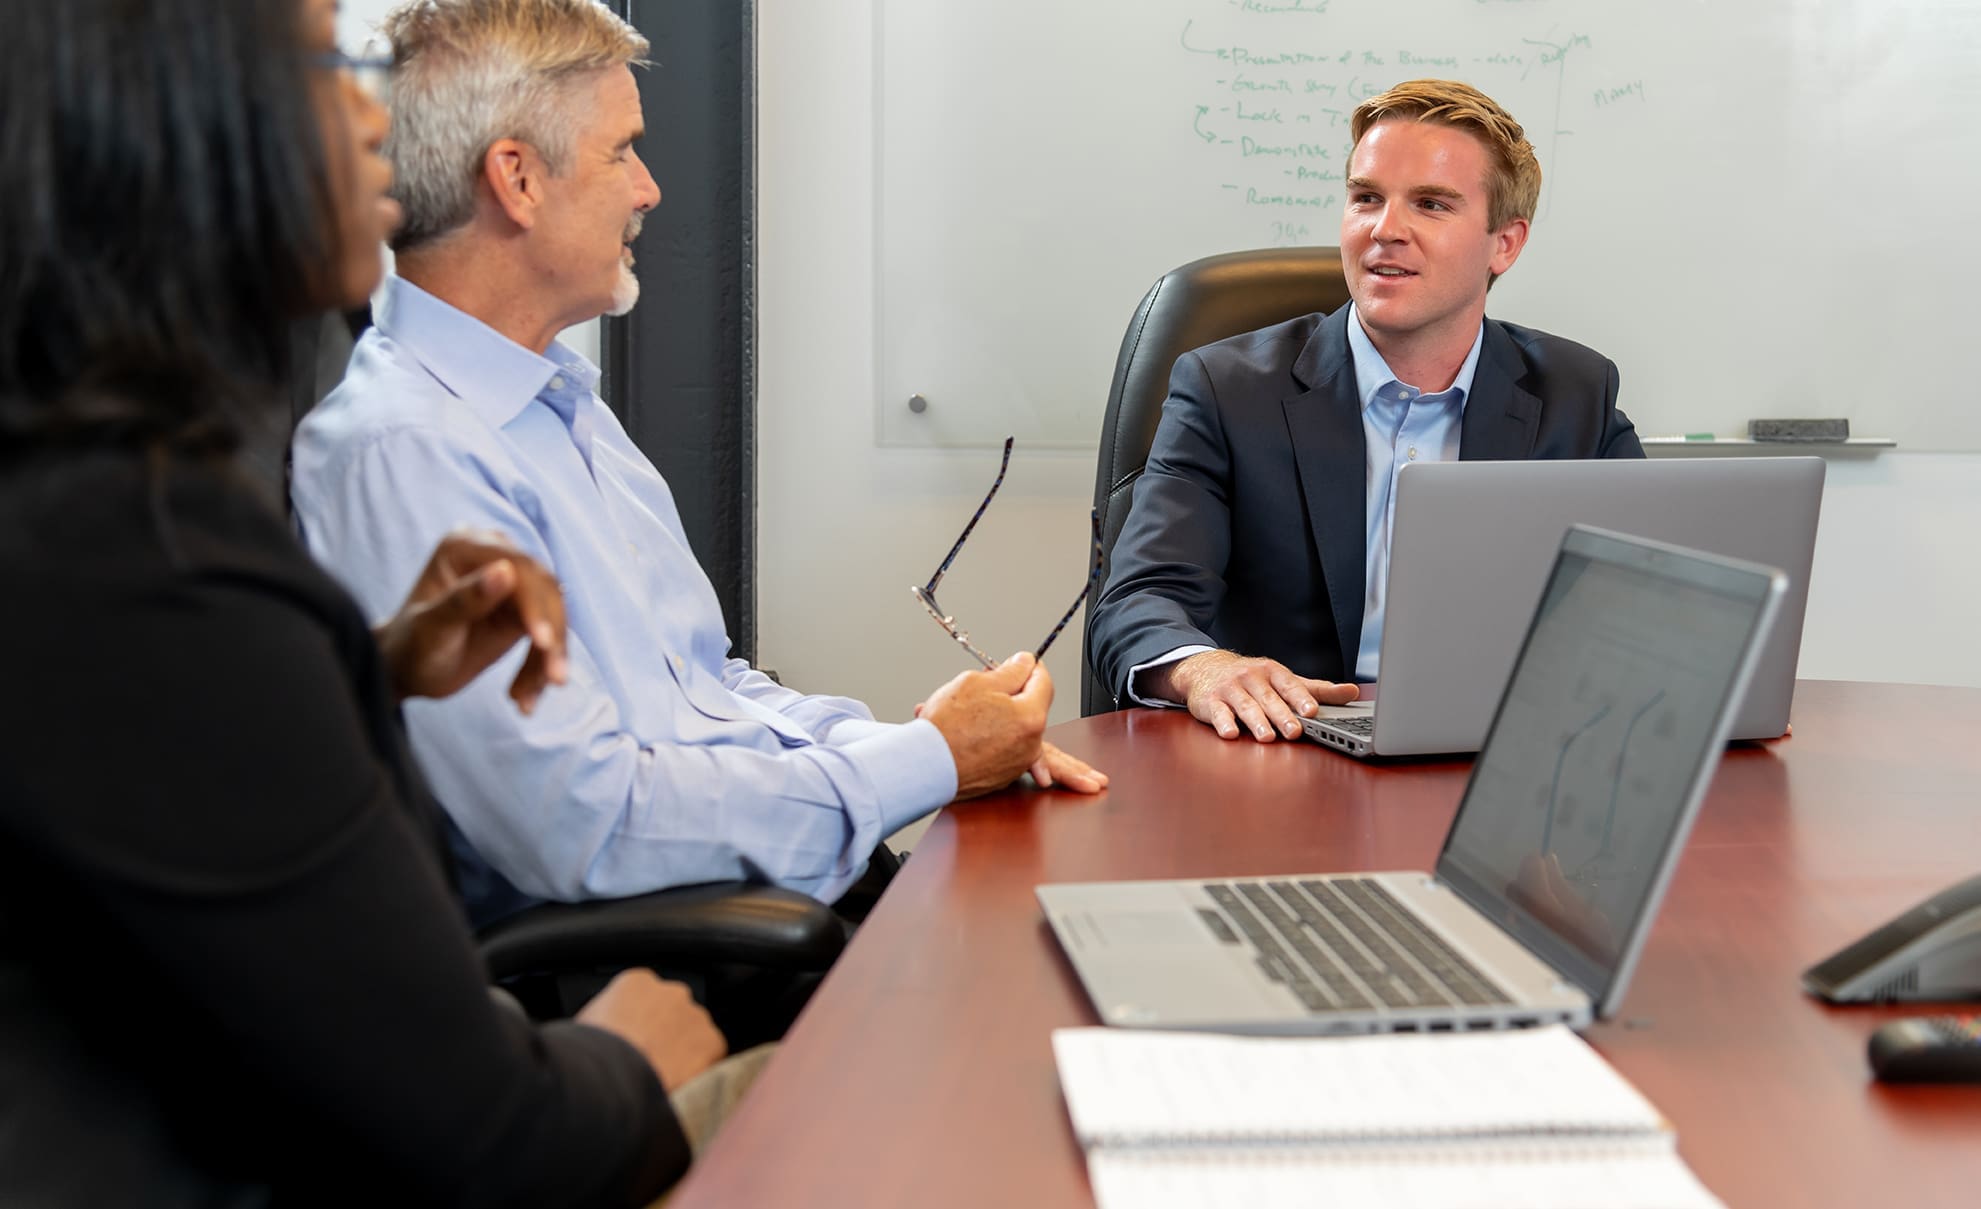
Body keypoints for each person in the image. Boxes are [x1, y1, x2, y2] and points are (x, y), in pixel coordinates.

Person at [0, 0, 739, 1203]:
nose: (371, 113)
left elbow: (166, 784)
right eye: (327, 65)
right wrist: (627, 1054)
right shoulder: (143, 559)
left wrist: (374, 662)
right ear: (163, 123)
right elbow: (492, 1139)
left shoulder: (97, 510)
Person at [290, 0, 1105, 931]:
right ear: (515, 180)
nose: (648, 191)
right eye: (620, 152)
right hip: (659, 960)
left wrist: (931, 742)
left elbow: (708, 689)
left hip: (768, 892)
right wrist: (927, 759)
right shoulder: (407, 453)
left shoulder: (562, 403)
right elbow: (586, 821)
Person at [1087, 78, 1644, 743]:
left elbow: (1651, 604)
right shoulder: (1225, 389)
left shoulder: (1574, 394)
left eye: (1431, 204)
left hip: (1493, 750)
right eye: (1365, 198)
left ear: (1505, 243)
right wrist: (1202, 668)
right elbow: (1139, 600)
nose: (1385, 230)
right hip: (1283, 751)